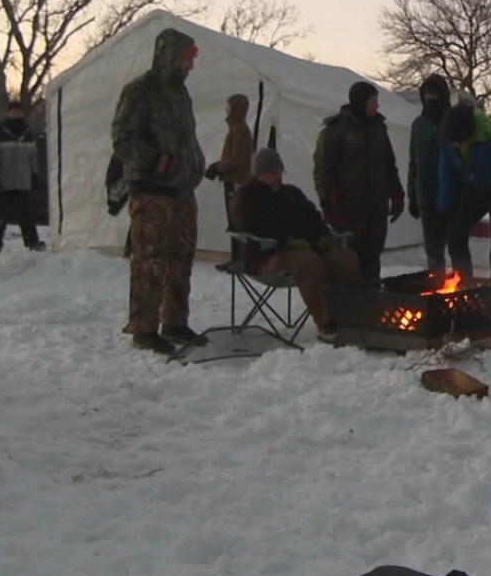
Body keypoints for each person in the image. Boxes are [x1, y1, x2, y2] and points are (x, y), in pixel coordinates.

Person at [110, 27, 207, 356]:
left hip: (181, 190)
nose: (191, 67)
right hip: (152, 192)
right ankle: (144, 328)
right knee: (149, 261)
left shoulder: (181, 94)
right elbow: (123, 139)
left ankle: (175, 322)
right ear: (171, 58)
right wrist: (156, 161)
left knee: (181, 258)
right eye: (187, 60)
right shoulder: (139, 92)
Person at [232, 148, 361, 341]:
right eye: (273, 173)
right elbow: (252, 227)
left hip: (307, 250)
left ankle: (354, 317)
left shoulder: (291, 193)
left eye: (280, 172)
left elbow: (313, 216)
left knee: (344, 258)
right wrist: (286, 241)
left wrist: (324, 236)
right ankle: (326, 325)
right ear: (259, 174)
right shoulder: (247, 196)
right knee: (308, 263)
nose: (278, 178)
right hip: (267, 256)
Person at [313, 81, 404, 282]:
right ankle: (350, 306)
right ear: (361, 102)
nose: (377, 106)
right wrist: (329, 197)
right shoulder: (335, 131)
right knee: (348, 263)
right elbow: (323, 169)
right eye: (373, 101)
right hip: (347, 211)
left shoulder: (379, 129)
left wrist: (396, 193)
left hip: (376, 210)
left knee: (372, 260)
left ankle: (371, 304)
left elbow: (389, 165)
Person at [438, 102, 491, 282]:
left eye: (461, 142)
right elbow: (447, 173)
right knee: (456, 234)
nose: (458, 146)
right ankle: (463, 283)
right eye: (455, 143)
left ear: (470, 133)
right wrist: (444, 207)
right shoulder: (449, 141)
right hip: (475, 189)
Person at [0, 100, 45, 254]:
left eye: (18, 110)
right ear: (8, 113)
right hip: (2, 182)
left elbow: (32, 157)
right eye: (13, 111)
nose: (16, 113)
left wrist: (34, 174)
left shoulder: (28, 134)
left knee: (26, 216)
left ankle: (32, 242)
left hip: (22, 182)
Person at [407, 74, 453, 272]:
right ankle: (437, 287)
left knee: (456, 246)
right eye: (427, 95)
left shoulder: (453, 121)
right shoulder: (418, 125)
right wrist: (413, 195)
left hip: (452, 195)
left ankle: (464, 286)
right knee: (433, 251)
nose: (430, 99)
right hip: (426, 196)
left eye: (434, 94)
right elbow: (414, 161)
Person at [202, 93, 254, 225]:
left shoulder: (239, 130)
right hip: (234, 179)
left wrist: (218, 168)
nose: (226, 111)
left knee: (236, 219)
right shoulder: (238, 129)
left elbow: (237, 158)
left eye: (229, 107)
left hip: (236, 180)